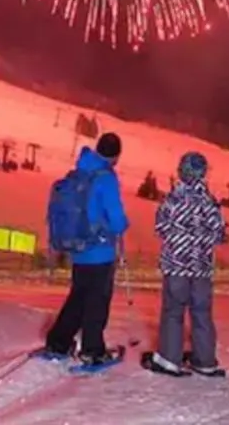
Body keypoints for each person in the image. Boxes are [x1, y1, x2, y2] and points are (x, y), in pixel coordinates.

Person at [43, 132, 130, 366]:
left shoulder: (80, 172)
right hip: (100, 249)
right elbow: (116, 218)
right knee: (97, 301)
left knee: (78, 297)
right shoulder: (106, 178)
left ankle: (58, 342)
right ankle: (93, 351)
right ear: (115, 156)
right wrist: (123, 224)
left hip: (79, 249)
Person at [145, 151, 227, 377]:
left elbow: (160, 227)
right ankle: (205, 360)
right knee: (202, 313)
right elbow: (219, 234)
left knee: (173, 311)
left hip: (176, 266)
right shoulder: (210, 203)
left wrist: (178, 237)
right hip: (201, 268)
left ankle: (170, 358)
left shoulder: (172, 200)